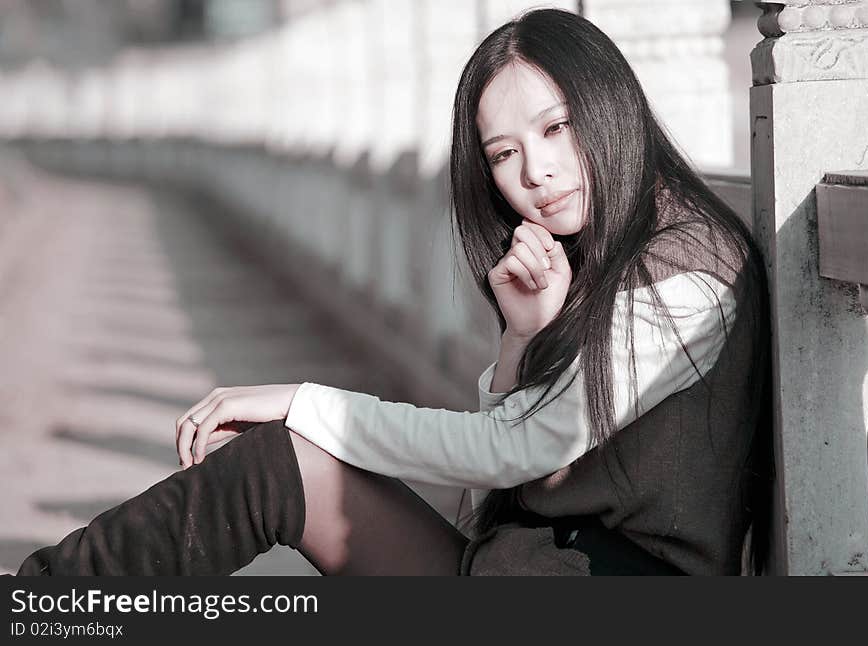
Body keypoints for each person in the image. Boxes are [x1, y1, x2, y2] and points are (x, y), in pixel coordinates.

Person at [15, 8, 773, 577]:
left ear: (613, 106)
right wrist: (521, 341)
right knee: (276, 468)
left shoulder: (689, 274)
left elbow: (512, 450)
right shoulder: (598, 255)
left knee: (283, 448)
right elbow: (491, 496)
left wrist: (300, 398)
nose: (534, 172)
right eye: (504, 154)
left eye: (556, 128)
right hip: (516, 572)